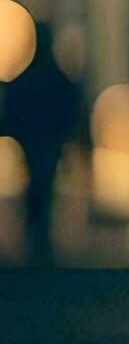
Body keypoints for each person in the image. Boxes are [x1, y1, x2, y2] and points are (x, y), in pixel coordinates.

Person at [0, 21, 82, 267]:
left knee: (39, 187)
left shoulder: (32, 77)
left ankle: (38, 238)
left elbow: (14, 107)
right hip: (46, 141)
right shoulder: (55, 77)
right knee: (42, 187)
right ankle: (40, 239)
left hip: (36, 141)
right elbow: (70, 106)